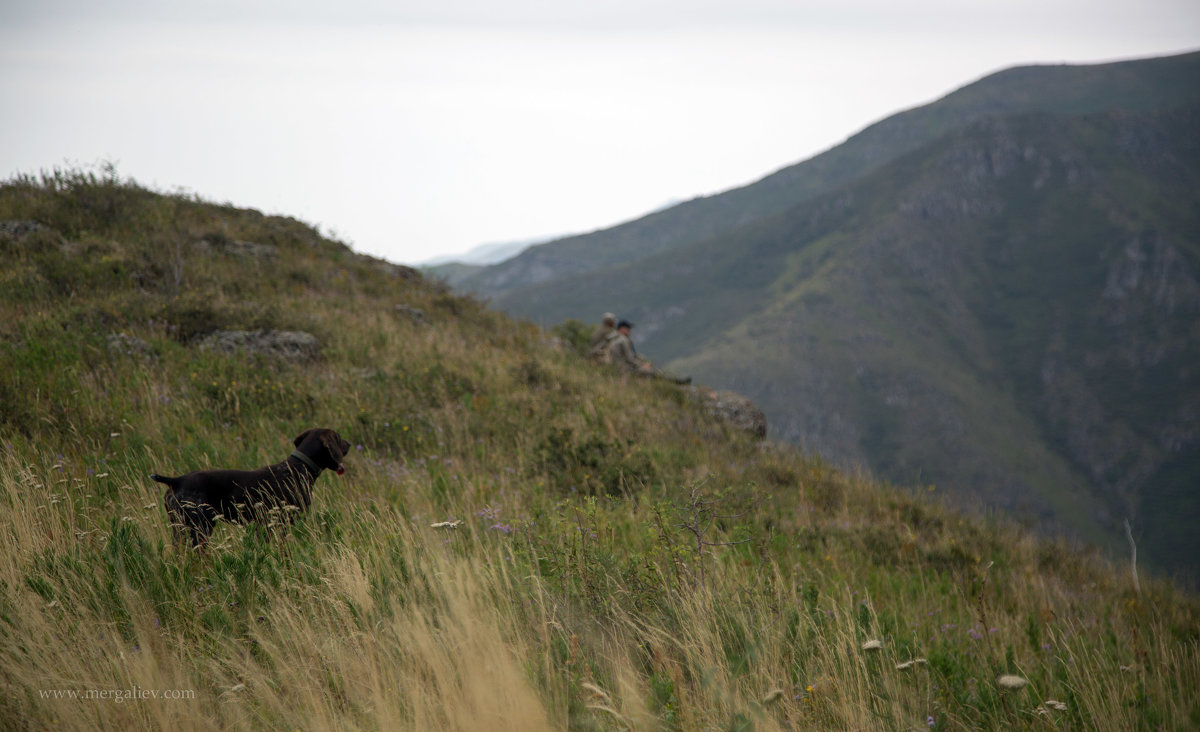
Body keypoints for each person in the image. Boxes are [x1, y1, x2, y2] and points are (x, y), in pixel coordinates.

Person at [609, 320, 691, 384]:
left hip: (616, 368)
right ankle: (677, 381)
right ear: (622, 329)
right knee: (654, 371)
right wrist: (642, 365)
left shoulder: (613, 339)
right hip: (626, 369)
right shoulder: (624, 340)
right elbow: (630, 359)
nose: (629, 330)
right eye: (628, 328)